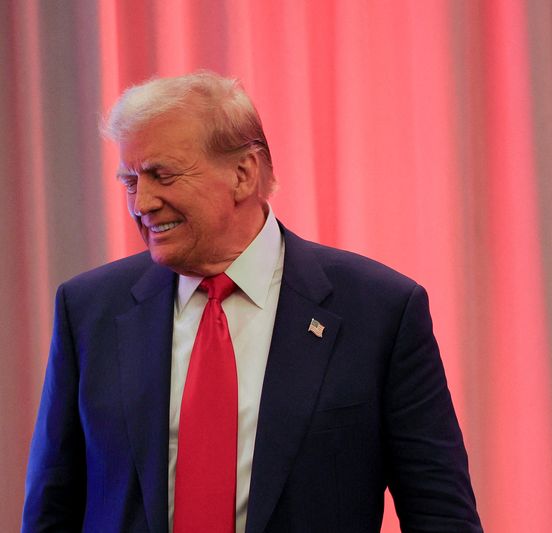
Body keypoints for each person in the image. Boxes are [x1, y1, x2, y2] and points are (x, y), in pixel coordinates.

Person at [22, 71, 482, 533]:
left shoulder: (380, 311)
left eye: (162, 175)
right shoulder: (88, 310)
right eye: (130, 181)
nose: (142, 202)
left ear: (243, 174)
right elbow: (52, 505)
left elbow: (440, 513)